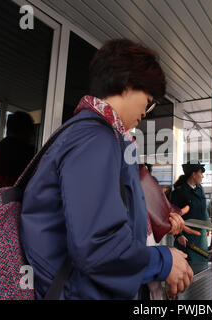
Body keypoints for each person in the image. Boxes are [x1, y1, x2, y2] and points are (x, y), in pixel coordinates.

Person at [20, 39, 193, 300]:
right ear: (127, 84)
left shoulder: (95, 134)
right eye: (147, 100)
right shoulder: (95, 138)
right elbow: (96, 243)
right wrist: (162, 261)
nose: (145, 112)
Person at [171, 161, 209, 266]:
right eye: (201, 173)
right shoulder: (179, 193)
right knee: (188, 268)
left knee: (202, 266)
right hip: (186, 238)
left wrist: (207, 225)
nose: (202, 176)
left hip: (200, 237)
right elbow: (173, 216)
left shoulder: (200, 189)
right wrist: (179, 235)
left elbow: (203, 209)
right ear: (193, 174)